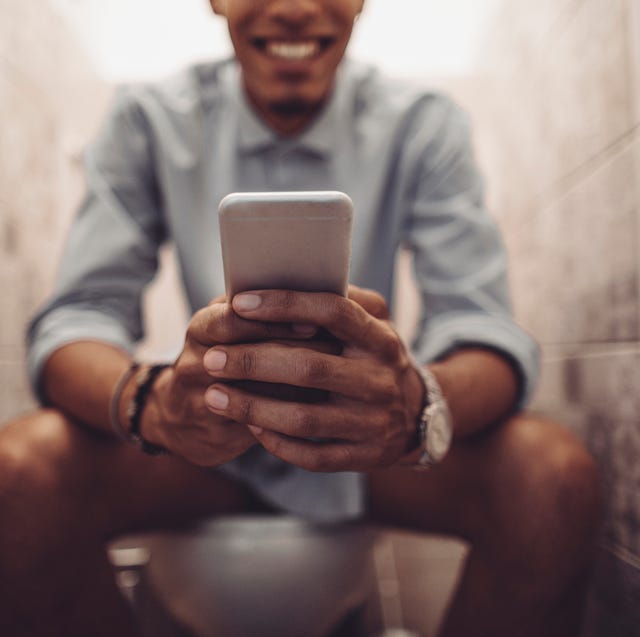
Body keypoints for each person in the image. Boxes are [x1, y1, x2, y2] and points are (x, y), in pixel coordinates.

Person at [0, 1, 600, 636]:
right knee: (19, 475)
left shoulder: (423, 123)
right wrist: (153, 404)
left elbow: (486, 331)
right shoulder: (148, 118)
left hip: (366, 458)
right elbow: (76, 320)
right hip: (206, 452)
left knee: (552, 479)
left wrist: (411, 402)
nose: (291, 7)